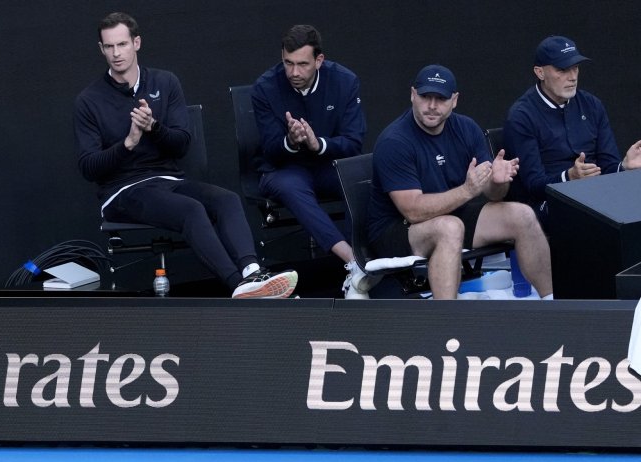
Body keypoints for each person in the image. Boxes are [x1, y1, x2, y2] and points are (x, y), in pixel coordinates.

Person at [74, 12, 298, 298]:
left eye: (122, 44)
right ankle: (238, 286)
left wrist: (153, 127)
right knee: (191, 209)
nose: (116, 53)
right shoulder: (88, 100)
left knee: (226, 200)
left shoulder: (165, 83)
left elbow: (181, 145)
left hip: (167, 179)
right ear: (101, 49)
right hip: (122, 191)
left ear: (137, 43)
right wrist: (128, 143)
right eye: (109, 47)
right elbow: (89, 168)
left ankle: (252, 273)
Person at [368, 64, 554, 300]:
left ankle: (552, 303)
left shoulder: (467, 128)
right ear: (413, 95)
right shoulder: (395, 141)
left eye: (441, 98)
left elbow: (493, 194)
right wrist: (467, 190)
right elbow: (413, 211)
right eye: (426, 97)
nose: (432, 106)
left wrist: (497, 182)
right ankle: (450, 325)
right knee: (449, 227)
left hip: (450, 214)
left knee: (523, 215)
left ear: (454, 100)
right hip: (394, 230)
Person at [251, 24, 371, 298]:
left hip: (328, 164)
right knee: (291, 186)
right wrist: (292, 141)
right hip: (285, 168)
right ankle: (355, 262)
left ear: (319, 60)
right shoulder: (265, 87)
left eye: (302, 64)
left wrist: (318, 144)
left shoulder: (344, 81)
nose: (294, 72)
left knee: (365, 174)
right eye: (288, 63)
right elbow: (270, 149)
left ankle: (382, 255)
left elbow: (353, 142)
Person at [503, 35, 641, 223]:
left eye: (575, 67)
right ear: (540, 72)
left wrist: (623, 167)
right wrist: (569, 177)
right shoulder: (522, 115)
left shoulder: (592, 105)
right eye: (563, 70)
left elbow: (609, 166)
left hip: (596, 194)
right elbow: (532, 185)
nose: (573, 77)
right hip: (546, 202)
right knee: (594, 209)